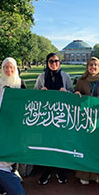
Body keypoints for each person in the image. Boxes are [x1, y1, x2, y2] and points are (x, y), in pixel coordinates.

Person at [34, 52, 73, 185]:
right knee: (46, 143)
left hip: (62, 115)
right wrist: (41, 93)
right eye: (51, 61)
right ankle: (47, 169)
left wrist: (66, 93)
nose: (54, 63)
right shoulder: (41, 77)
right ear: (47, 63)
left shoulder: (65, 76)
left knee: (60, 142)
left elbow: (72, 94)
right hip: (46, 117)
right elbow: (34, 95)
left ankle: (60, 169)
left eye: (56, 61)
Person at [74, 57, 99, 185]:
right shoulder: (81, 81)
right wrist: (76, 94)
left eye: (95, 65)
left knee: (98, 147)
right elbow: (75, 95)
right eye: (90, 65)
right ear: (87, 67)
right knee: (85, 146)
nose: (93, 67)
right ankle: (84, 174)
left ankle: (97, 175)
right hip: (85, 119)